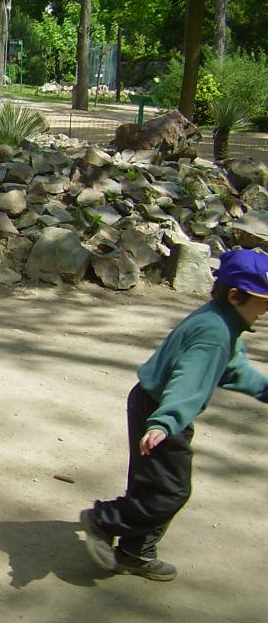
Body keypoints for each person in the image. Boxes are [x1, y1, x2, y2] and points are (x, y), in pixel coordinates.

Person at [80, 248, 268, 581]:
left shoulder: (221, 319)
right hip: (162, 411)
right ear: (236, 296)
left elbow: (233, 368)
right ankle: (105, 519)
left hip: (154, 403)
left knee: (152, 484)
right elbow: (187, 380)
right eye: (264, 302)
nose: (266, 310)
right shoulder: (215, 334)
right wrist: (165, 423)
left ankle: (136, 552)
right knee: (170, 491)